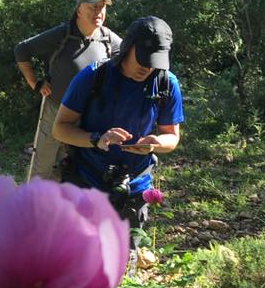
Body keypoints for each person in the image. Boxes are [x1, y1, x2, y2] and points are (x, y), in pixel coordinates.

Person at [52, 16, 184, 240]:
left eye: (155, 61)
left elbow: (172, 136)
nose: (148, 67)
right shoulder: (94, 76)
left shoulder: (166, 82)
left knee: (123, 264)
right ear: (128, 47)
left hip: (135, 185)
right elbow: (60, 128)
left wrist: (155, 143)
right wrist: (97, 139)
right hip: (87, 181)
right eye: (143, 58)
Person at [15, 0, 122, 180]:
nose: (98, 12)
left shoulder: (108, 38)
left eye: (102, 7)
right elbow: (22, 50)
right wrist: (35, 83)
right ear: (79, 10)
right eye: (93, 7)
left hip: (90, 115)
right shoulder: (62, 35)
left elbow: (128, 59)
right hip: (56, 109)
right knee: (43, 165)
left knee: (81, 166)